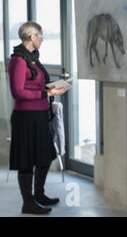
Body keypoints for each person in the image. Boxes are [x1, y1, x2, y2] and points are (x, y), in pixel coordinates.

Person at [8, 21, 68, 215]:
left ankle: (39, 195)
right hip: (25, 118)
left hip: (41, 115)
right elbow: (17, 92)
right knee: (26, 162)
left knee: (44, 156)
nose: (42, 39)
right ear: (32, 37)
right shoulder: (18, 60)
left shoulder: (34, 58)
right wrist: (46, 94)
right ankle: (28, 203)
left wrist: (52, 88)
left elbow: (37, 85)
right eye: (41, 36)